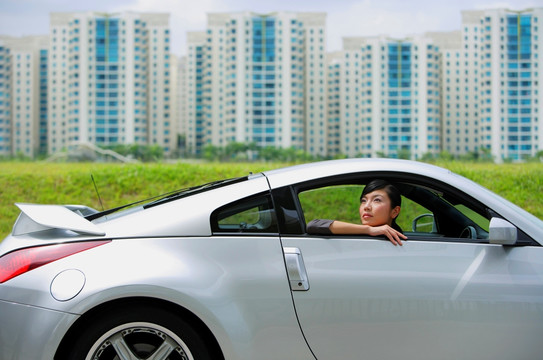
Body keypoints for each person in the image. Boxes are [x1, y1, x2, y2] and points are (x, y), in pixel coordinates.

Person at [306, 179, 407, 246]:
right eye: (363, 201)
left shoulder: (403, 243)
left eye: (377, 200)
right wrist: (369, 230)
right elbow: (314, 225)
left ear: (395, 211)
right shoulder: (357, 235)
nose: (366, 207)